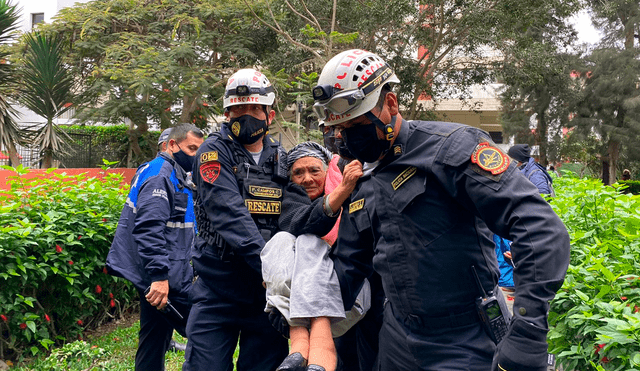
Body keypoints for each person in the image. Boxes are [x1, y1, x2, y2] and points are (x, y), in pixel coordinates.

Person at [313, 49, 571, 371]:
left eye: (356, 124)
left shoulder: (451, 149)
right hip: (396, 338)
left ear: (390, 104)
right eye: (339, 129)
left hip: (464, 339)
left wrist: (528, 330)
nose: (346, 137)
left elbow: (539, 228)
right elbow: (349, 265)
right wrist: (306, 318)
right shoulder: (360, 176)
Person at [183, 69, 289, 371]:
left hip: (265, 297)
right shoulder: (212, 153)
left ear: (268, 113)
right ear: (227, 112)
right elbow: (229, 214)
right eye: (239, 109)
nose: (247, 115)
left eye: (255, 108)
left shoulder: (280, 156)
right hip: (219, 289)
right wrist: (271, 268)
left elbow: (293, 213)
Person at [261, 142, 368, 371]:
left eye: (314, 170)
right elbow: (296, 222)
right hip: (294, 310)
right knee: (281, 241)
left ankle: (314, 348)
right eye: (298, 173)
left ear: (328, 171)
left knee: (309, 242)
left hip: (349, 297)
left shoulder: (353, 189)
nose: (307, 178)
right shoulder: (292, 199)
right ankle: (301, 340)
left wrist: (342, 191)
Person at [106, 123, 204, 371]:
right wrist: (159, 277)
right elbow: (149, 229)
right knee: (204, 331)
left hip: (160, 270)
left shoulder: (168, 171)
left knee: (154, 338)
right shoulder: (161, 175)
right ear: (172, 144)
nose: (196, 156)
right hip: (161, 273)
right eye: (191, 148)